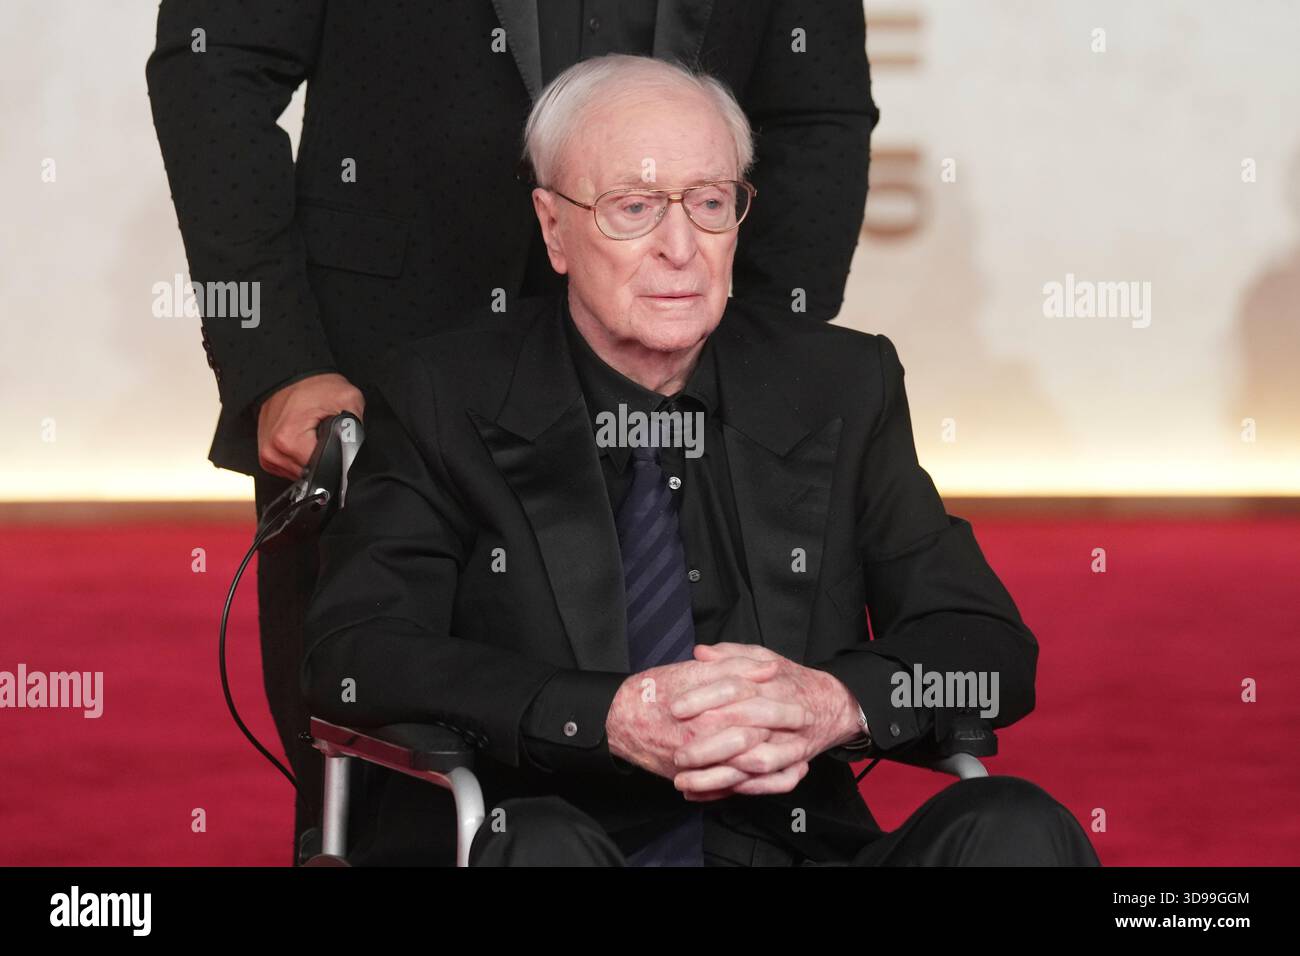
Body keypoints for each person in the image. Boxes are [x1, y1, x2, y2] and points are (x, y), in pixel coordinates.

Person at [300, 54, 1100, 867]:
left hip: (790, 844)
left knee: (1014, 826)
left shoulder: (838, 384)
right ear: (553, 228)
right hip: (554, 836)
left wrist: (833, 701)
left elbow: (985, 646)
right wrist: (604, 715)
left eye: (710, 203)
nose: (680, 247)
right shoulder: (443, 392)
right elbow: (357, 653)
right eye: (634, 207)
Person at [145, 0, 879, 863]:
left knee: (719, 768)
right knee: (378, 748)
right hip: (384, 353)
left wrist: (753, 357)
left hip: (684, 366)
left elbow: (816, 106)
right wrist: (277, 358)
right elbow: (217, 62)